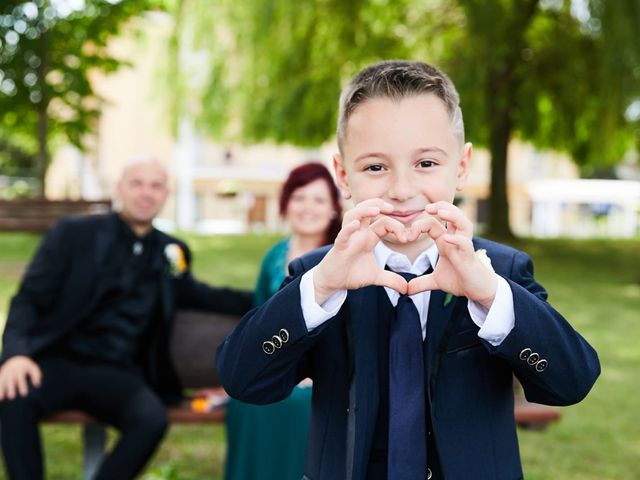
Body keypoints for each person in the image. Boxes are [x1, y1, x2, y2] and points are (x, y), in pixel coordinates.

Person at [216, 60, 601, 480]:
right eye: (376, 167)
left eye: (426, 164)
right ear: (344, 174)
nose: (402, 190)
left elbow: (571, 382)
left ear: (462, 166)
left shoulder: (500, 272)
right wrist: (322, 286)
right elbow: (243, 378)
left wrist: (488, 294)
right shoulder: (318, 273)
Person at [0, 156, 253, 480]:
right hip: (58, 361)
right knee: (13, 394)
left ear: (166, 194)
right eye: (137, 183)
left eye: (156, 185)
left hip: (118, 372)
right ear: (119, 188)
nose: (146, 193)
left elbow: (203, 295)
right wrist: (17, 354)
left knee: (150, 419)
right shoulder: (72, 234)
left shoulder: (171, 250)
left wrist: (272, 293)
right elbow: (28, 298)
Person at [224, 161, 342, 480]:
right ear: (286, 203)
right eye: (299, 197)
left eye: (318, 200)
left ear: (334, 209)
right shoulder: (274, 256)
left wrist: (312, 372)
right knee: (247, 401)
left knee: (297, 404)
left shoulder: (341, 259)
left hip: (327, 375)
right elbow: (257, 323)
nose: (307, 208)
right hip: (277, 369)